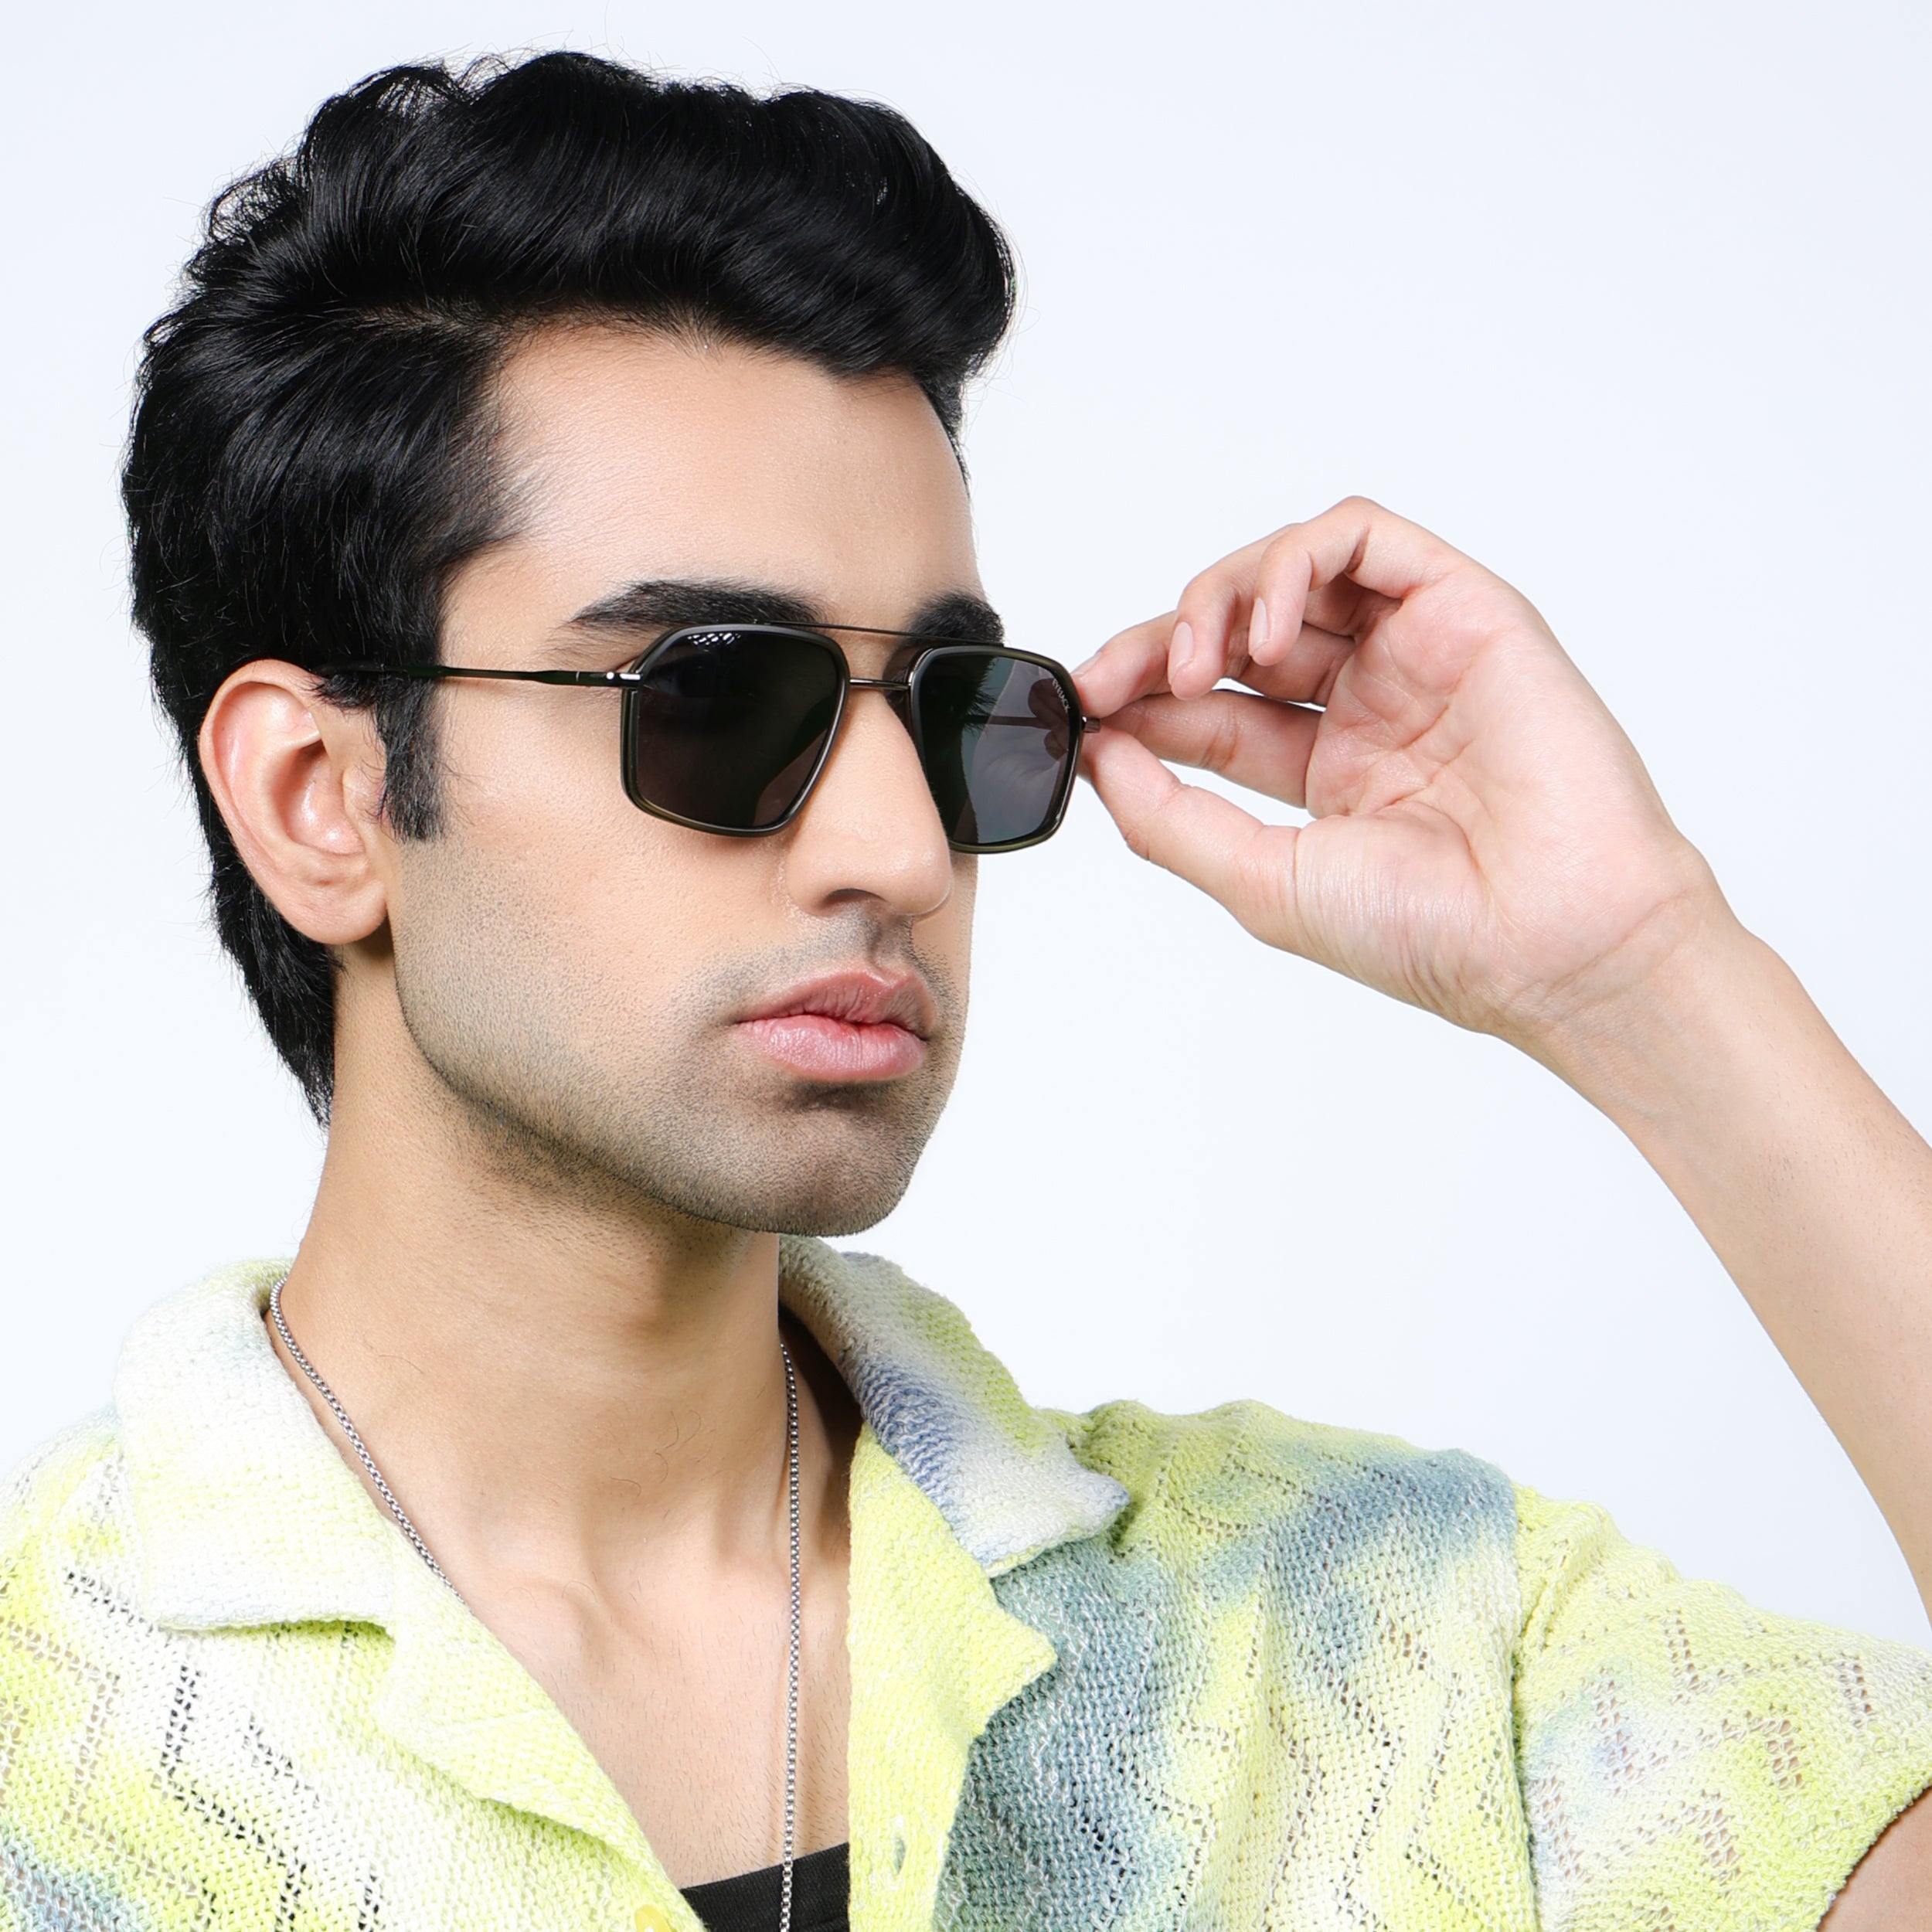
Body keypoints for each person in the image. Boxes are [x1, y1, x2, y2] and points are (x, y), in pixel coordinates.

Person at [2, 47, 1929, 1932]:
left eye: (952, 714)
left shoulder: (1369, 1654)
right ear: (319, 798)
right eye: (714, 696)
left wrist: (1642, 972)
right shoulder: (45, 1762)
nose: (901, 848)